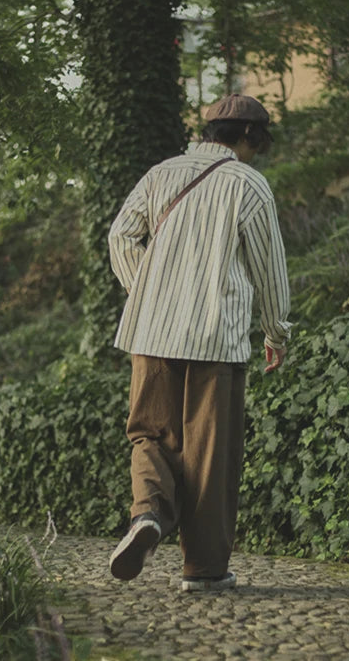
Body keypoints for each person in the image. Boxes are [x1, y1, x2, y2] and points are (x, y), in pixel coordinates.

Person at [107, 93, 291, 592]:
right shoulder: (248, 185)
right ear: (248, 136)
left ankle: (147, 513)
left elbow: (120, 237)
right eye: (259, 142)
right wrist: (276, 331)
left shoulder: (159, 174)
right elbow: (268, 268)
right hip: (216, 338)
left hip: (151, 332)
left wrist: (146, 291)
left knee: (149, 434)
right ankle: (205, 570)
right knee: (210, 455)